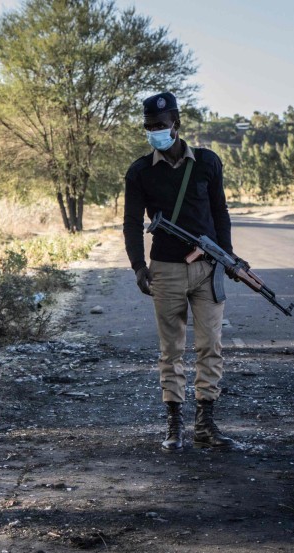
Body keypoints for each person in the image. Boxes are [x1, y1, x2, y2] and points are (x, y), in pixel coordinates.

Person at [123, 91, 236, 452]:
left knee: (210, 346)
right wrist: (139, 267)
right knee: (171, 349)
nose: (155, 131)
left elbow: (220, 212)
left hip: (207, 269)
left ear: (177, 123)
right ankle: (174, 424)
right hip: (166, 270)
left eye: (161, 124)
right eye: (149, 126)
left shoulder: (207, 162)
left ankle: (205, 423)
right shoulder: (140, 171)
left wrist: (227, 256)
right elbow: (130, 224)